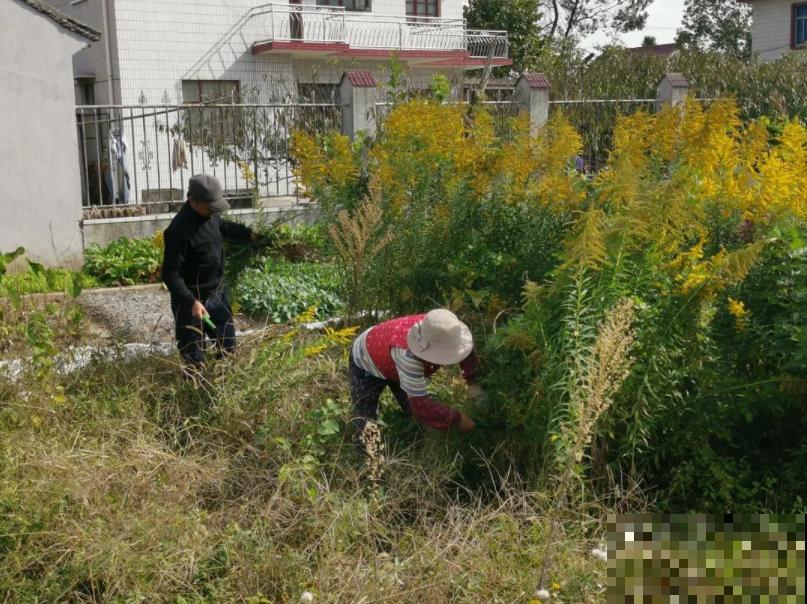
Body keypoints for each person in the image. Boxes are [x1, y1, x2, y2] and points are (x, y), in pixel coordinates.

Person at [161, 174, 255, 367]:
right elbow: (170, 274)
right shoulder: (178, 231)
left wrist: (249, 235)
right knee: (193, 356)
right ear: (192, 200)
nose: (214, 211)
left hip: (217, 295)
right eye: (210, 206)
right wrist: (191, 302)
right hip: (191, 303)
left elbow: (224, 226)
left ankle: (224, 386)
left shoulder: (210, 216)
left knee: (228, 348)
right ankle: (195, 391)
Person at [350, 309, 480, 440]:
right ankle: (368, 454)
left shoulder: (443, 327)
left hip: (390, 356)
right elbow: (421, 406)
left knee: (410, 411)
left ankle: (414, 439)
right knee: (366, 421)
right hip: (366, 360)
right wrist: (458, 420)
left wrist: (473, 382)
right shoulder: (409, 355)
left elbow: (464, 349)